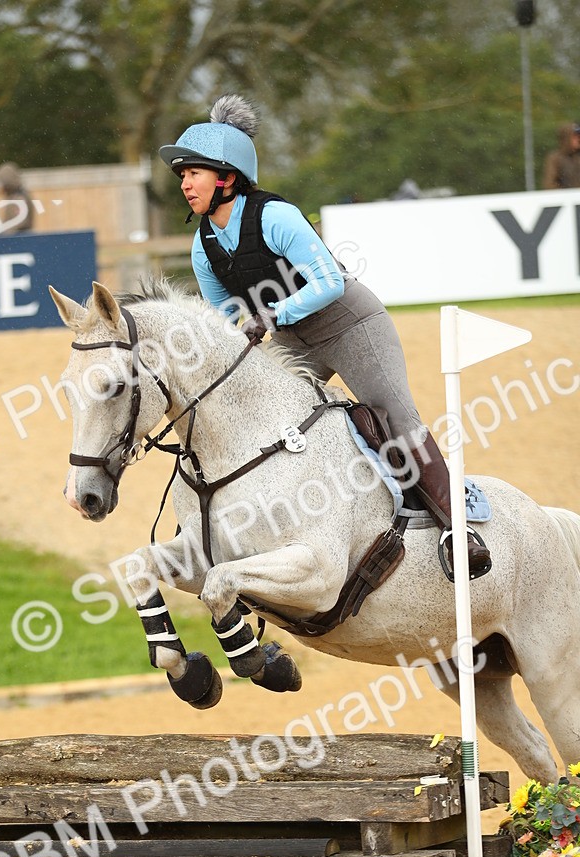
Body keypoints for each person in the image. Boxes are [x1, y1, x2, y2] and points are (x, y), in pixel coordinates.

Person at [159, 94, 492, 580]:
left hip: (350, 323)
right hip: (293, 340)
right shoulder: (203, 246)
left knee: (396, 415)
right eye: (182, 176)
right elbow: (224, 319)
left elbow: (329, 282)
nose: (185, 184)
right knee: (263, 422)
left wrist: (271, 315)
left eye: (194, 173)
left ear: (226, 177)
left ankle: (458, 532)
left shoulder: (275, 217)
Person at [0, 162, 35, 234]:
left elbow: (20, 223)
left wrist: (3, 232)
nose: (0, 187)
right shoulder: (15, 197)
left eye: (2, 183)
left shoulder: (19, 198)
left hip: (19, 238)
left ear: (7, 184)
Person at [542, 122, 580, 190]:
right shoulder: (555, 159)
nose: (578, 139)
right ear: (566, 138)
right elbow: (549, 184)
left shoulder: (577, 158)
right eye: (575, 136)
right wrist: (567, 193)